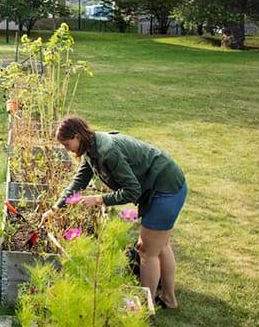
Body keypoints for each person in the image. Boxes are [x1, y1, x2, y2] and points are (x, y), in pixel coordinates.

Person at [41, 115, 187, 309]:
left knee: (146, 251)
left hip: (166, 188)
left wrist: (100, 199)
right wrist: (55, 208)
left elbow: (132, 190)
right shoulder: (91, 149)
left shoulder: (107, 151)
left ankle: (143, 308)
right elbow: (78, 182)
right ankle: (169, 299)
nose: (67, 150)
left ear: (77, 136)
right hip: (163, 184)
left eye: (67, 145)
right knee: (160, 245)